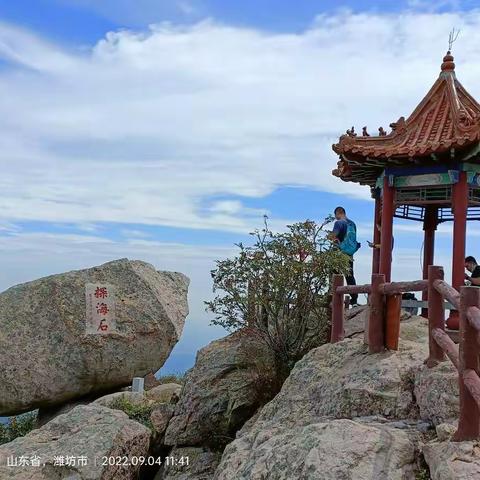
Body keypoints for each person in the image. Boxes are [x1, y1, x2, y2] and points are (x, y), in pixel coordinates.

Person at [330, 206, 361, 307]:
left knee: (335, 276)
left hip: (339, 254)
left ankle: (334, 299)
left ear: (338, 213)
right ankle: (354, 300)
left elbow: (333, 236)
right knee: (350, 275)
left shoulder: (339, 223)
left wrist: (330, 237)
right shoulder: (352, 224)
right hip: (349, 254)